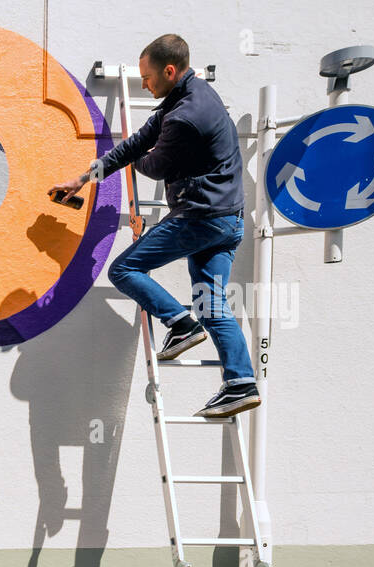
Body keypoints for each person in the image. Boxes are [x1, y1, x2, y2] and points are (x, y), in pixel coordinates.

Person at [51, 33, 260, 418]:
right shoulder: (189, 95)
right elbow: (137, 143)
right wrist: (84, 178)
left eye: (147, 77)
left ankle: (180, 324)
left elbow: (151, 164)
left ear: (168, 70)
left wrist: (140, 158)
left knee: (124, 269)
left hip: (201, 218)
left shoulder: (184, 116)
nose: (144, 84)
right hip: (227, 220)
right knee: (212, 304)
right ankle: (241, 383)